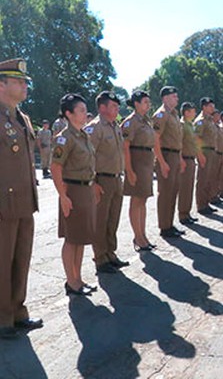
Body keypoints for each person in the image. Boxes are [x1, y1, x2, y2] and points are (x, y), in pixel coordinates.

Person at [0, 58, 42, 339]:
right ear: (1, 85)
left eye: (25, 81)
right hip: (3, 204)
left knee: (21, 259)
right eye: (18, 81)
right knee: (2, 261)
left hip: (25, 202)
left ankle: (17, 311)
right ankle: (2, 318)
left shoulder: (23, 118)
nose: (25, 85)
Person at [50, 93, 96, 297]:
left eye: (85, 110)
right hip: (72, 190)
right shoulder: (64, 137)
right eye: (81, 110)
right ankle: (71, 281)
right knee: (71, 238)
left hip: (85, 189)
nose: (85, 114)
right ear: (68, 114)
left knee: (81, 237)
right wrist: (63, 196)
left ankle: (78, 278)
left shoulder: (84, 135)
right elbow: (55, 167)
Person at [84, 91, 128, 274]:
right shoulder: (95, 128)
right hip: (102, 179)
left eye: (118, 106)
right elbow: (87, 156)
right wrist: (92, 182)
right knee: (101, 221)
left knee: (113, 219)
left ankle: (110, 253)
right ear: (102, 108)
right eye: (113, 106)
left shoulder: (114, 126)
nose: (117, 109)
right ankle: (100, 258)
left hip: (116, 178)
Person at [121, 90, 155, 251]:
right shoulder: (131, 122)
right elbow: (125, 146)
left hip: (146, 162)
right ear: (136, 104)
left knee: (143, 200)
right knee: (136, 200)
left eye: (149, 102)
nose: (148, 105)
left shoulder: (146, 121)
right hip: (137, 161)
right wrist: (129, 170)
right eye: (145, 102)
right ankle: (138, 237)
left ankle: (143, 235)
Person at [152, 86, 184, 238]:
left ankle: (170, 224)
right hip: (166, 155)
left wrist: (180, 158)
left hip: (175, 155)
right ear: (165, 98)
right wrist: (162, 162)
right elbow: (155, 139)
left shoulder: (174, 115)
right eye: (173, 96)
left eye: (176, 96)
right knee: (165, 192)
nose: (176, 99)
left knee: (173, 191)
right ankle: (164, 226)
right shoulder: (161, 115)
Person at [194, 97, 219, 215]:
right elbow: (196, 138)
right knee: (203, 179)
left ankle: (206, 202)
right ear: (204, 107)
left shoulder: (210, 120)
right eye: (210, 106)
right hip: (204, 151)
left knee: (209, 178)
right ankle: (201, 205)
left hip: (211, 151)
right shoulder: (201, 120)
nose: (212, 108)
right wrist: (199, 154)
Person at [177, 102, 199, 225]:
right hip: (185, 159)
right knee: (184, 188)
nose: (195, 113)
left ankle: (187, 213)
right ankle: (182, 214)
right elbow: (179, 143)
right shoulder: (182, 125)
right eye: (192, 111)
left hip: (191, 159)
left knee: (189, 188)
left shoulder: (190, 125)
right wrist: (180, 160)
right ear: (186, 113)